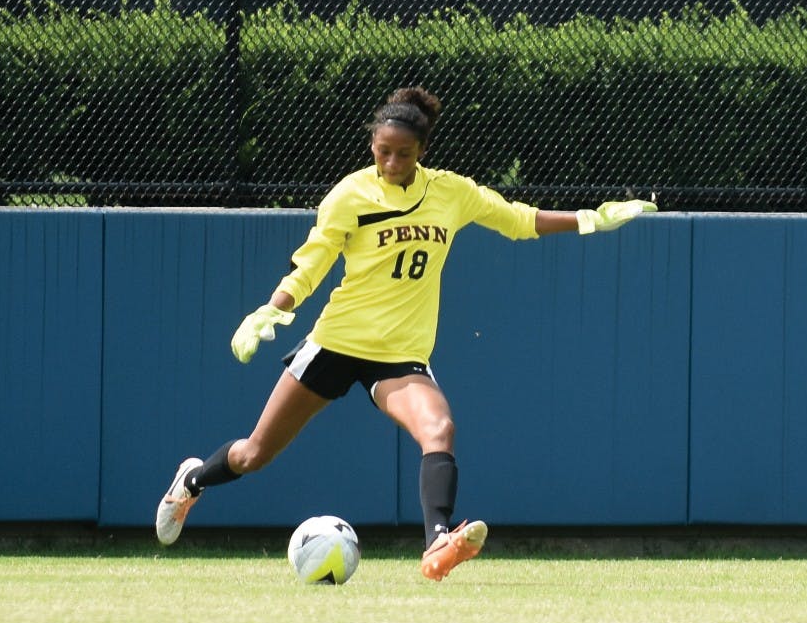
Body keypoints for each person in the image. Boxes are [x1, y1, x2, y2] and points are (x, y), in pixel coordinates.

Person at [155, 86, 656, 581]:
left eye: (404, 153)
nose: (392, 162)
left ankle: (439, 539)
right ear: (372, 145)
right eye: (383, 151)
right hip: (337, 343)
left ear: (423, 151)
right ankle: (192, 480)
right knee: (254, 454)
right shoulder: (350, 194)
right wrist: (272, 310)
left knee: (439, 430)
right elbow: (311, 262)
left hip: (399, 355)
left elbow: (518, 220)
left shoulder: (450, 192)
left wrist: (590, 220)